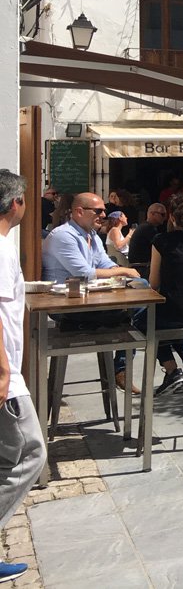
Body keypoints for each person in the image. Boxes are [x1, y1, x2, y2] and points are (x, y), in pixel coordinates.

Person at [115, 193, 183, 395]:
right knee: (175, 320)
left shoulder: (161, 240)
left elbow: (154, 283)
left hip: (173, 311)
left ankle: (171, 369)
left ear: (173, 218)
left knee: (144, 321)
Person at [42, 191, 142, 386]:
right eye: (98, 211)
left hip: (89, 299)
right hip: (65, 305)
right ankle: (122, 368)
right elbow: (84, 273)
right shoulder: (64, 236)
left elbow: (104, 262)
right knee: (139, 317)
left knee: (139, 306)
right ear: (79, 211)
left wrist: (116, 270)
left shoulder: (92, 235)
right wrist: (124, 271)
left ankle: (123, 366)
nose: (104, 215)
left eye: (104, 211)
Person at [0, 171, 47, 583]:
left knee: (6, 457)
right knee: (32, 454)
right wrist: (3, 371)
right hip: (4, 376)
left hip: (7, 370)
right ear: (16, 204)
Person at [127, 203, 167, 269]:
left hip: (141, 265)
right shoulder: (147, 228)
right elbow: (161, 247)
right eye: (162, 215)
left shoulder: (145, 226)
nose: (165, 218)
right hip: (141, 267)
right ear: (152, 214)